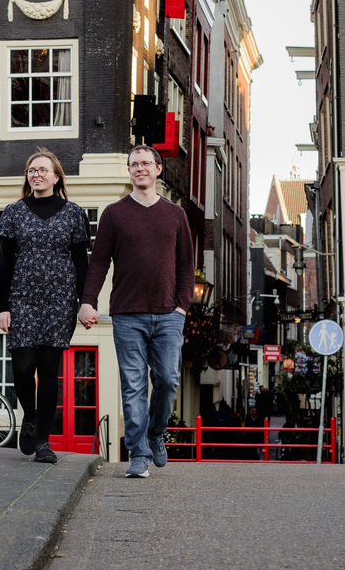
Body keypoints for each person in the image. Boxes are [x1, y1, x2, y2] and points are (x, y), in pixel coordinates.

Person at [78, 145, 194, 478]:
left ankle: (156, 434)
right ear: (129, 171)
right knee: (133, 385)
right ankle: (139, 454)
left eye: (146, 163)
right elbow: (99, 262)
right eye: (133, 164)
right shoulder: (114, 214)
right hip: (127, 314)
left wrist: (183, 306)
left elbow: (187, 264)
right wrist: (89, 301)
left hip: (169, 315)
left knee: (168, 380)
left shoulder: (175, 215)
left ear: (159, 170)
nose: (139, 168)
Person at [0, 149, 90, 464]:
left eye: (43, 170)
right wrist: (2, 306)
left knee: (50, 372)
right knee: (23, 368)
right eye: (31, 170)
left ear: (56, 176)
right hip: (21, 299)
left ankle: (43, 443)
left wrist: (85, 302)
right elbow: (5, 263)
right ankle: (31, 415)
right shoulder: (13, 212)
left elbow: (81, 263)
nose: (37, 174)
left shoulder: (74, 213)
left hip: (61, 301)